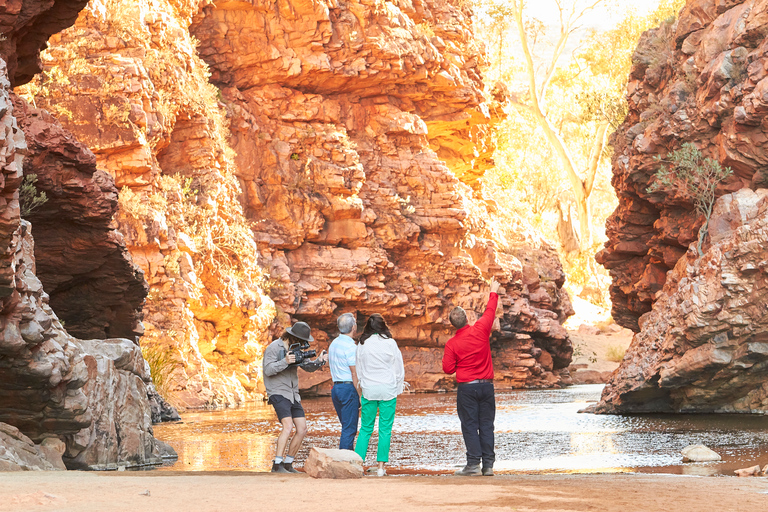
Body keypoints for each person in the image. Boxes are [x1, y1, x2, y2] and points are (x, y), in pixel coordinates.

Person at [442, 277, 501, 477]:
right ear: (467, 319)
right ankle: (489, 466)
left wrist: (461, 362)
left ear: (453, 325)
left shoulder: (452, 344)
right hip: (486, 386)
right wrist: (493, 290)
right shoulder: (481, 330)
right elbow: (490, 311)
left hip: (467, 388)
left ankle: (473, 464)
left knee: (469, 425)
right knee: (486, 424)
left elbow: (448, 369)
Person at [263, 321, 327, 473]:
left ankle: (288, 464)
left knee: (302, 428)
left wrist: (318, 362)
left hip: (293, 393)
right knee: (288, 426)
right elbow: (268, 370)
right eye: (301, 340)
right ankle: (277, 465)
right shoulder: (273, 348)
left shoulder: (296, 349)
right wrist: (284, 362)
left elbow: (307, 367)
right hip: (278, 391)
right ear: (292, 336)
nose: (303, 343)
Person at [354, 314, 404, 477]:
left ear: (368, 327)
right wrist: (397, 388)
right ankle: (381, 467)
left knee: (365, 429)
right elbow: (398, 369)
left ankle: (357, 464)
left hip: (369, 390)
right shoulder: (390, 343)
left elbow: (359, 369)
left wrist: (362, 386)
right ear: (383, 326)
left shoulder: (362, 344)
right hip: (387, 389)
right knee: (385, 430)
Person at [328, 312, 360, 450]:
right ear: (354, 327)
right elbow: (354, 373)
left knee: (346, 427)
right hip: (349, 389)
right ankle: (345, 463)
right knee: (349, 428)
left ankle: (346, 459)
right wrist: (361, 395)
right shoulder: (351, 347)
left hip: (336, 389)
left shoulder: (333, 344)